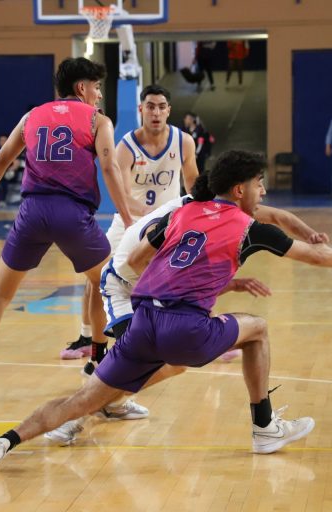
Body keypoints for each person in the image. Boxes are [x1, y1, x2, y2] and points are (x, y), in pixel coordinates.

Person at [0, 149, 332, 469]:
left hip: (144, 323)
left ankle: (0, 443)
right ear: (239, 189)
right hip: (183, 327)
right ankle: (265, 427)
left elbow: (140, 258)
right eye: (259, 183)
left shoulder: (183, 212)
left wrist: (197, 280)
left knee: (78, 400)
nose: (263, 190)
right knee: (258, 327)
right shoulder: (250, 228)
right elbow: (318, 257)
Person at [45, 172, 331, 445]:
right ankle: (75, 417)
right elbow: (154, 271)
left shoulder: (200, 210)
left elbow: (278, 216)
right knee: (139, 363)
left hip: (149, 290)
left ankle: (108, 402)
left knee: (173, 364)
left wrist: (312, 236)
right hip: (123, 287)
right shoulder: (187, 217)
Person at [0, 57, 133, 392]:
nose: (99, 94)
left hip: (31, 212)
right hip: (71, 214)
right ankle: (98, 360)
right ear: (82, 88)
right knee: (104, 282)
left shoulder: (32, 115)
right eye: (97, 87)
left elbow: (4, 157)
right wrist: (128, 218)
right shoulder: (97, 120)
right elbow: (109, 167)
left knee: (1, 294)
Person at [61, 84, 199, 365]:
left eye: (161, 107)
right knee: (97, 275)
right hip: (129, 221)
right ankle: (87, 336)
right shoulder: (126, 146)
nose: (156, 112)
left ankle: (200, 331)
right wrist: (150, 215)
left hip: (168, 224)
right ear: (140, 109)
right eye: (150, 106)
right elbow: (122, 194)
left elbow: (193, 184)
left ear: (169, 110)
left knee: (193, 272)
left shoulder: (183, 141)